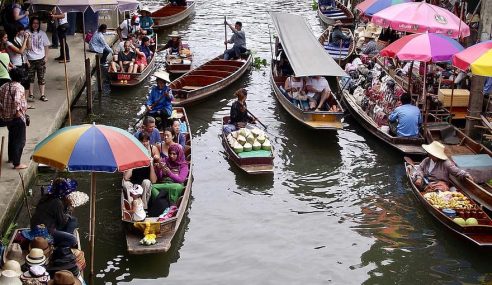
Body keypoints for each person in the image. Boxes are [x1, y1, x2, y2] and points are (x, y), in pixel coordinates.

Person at [30, 178, 79, 247]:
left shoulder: (46, 196)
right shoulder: (57, 202)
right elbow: (62, 222)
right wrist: (69, 208)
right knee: (72, 239)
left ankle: (63, 237)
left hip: (36, 226)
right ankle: (59, 247)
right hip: (45, 231)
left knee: (72, 220)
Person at [0, 68, 27, 169]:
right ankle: (17, 163)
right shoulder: (19, 87)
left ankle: (11, 158)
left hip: (7, 117)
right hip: (17, 117)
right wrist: (17, 112)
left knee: (12, 137)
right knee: (19, 140)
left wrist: (2, 110)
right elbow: (16, 101)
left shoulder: (4, 86)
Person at [122, 133, 158, 209]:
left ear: (149, 141)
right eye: (142, 141)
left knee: (146, 182)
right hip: (134, 183)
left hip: (144, 183)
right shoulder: (134, 153)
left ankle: (143, 207)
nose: (144, 143)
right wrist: (133, 162)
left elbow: (154, 181)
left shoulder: (151, 152)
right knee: (126, 184)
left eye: (146, 141)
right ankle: (132, 206)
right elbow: (126, 177)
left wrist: (151, 164)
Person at [26, 17, 50, 102]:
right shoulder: (27, 33)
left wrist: (46, 57)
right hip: (30, 59)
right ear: (31, 24)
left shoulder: (42, 33)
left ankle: (42, 95)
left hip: (40, 58)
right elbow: (25, 48)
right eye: (34, 23)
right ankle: (31, 94)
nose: (35, 25)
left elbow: (46, 46)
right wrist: (26, 60)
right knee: (30, 78)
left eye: (37, 23)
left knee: (41, 77)